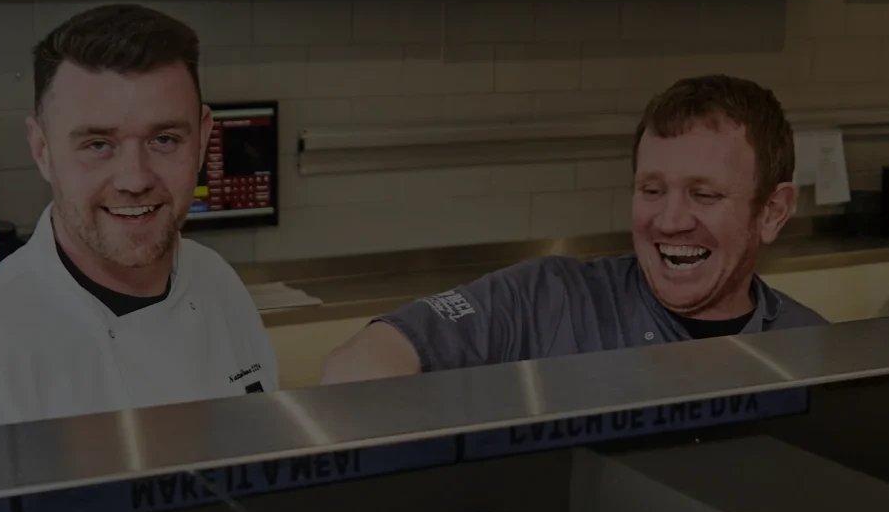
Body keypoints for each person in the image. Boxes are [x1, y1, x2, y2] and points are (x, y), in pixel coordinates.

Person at [0, 5, 276, 439]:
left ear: (204, 137)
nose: (135, 179)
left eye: (164, 140)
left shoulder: (217, 284)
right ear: (42, 149)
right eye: (98, 144)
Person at [320, 74, 824, 382]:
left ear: (773, 211)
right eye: (651, 191)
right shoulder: (547, 300)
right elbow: (360, 363)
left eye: (705, 194)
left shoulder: (814, 351)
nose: (670, 220)